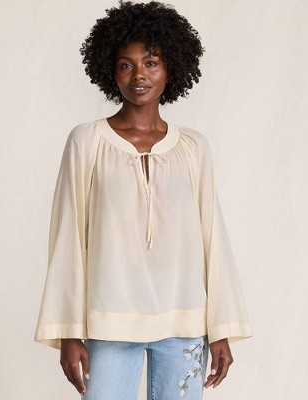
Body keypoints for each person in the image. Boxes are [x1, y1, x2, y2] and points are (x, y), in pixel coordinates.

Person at [34, 1, 252, 399]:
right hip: (110, 321)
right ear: (109, 70)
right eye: (126, 64)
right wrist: (68, 331)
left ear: (171, 67)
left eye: (151, 63)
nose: (139, 75)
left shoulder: (193, 147)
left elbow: (213, 238)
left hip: (185, 322)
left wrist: (221, 328)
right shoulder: (87, 141)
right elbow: (68, 237)